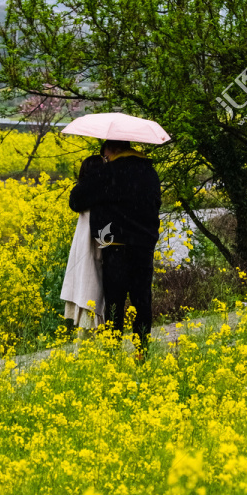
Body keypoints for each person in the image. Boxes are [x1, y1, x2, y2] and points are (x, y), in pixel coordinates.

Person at [68, 139, 161, 347]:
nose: (105, 159)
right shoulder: (150, 173)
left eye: (105, 155)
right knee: (142, 302)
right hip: (144, 247)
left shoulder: (109, 172)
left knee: (114, 305)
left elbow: (76, 201)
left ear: (112, 149)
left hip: (115, 248)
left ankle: (112, 353)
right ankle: (141, 353)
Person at [61, 155, 106, 330]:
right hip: (95, 247)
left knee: (87, 289)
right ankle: (93, 340)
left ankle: (88, 342)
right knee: (93, 291)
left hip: (84, 248)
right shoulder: (99, 193)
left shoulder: (82, 193)